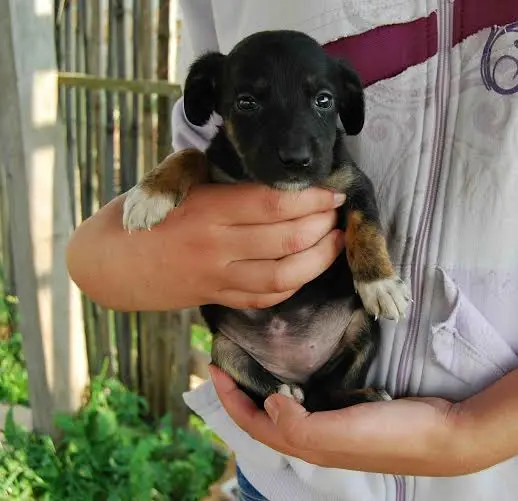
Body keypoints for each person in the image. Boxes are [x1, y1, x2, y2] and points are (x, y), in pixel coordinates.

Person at [67, 1, 518, 500]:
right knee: (225, 351)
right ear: (215, 98)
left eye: (321, 103)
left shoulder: (333, 166)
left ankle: (334, 393)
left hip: (490, 479)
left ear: (345, 101)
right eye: (249, 105)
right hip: (279, 473)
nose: (296, 146)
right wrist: (106, 257)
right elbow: (190, 160)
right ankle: (287, 397)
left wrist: (468, 430)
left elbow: (358, 196)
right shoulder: (206, 158)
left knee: (358, 329)